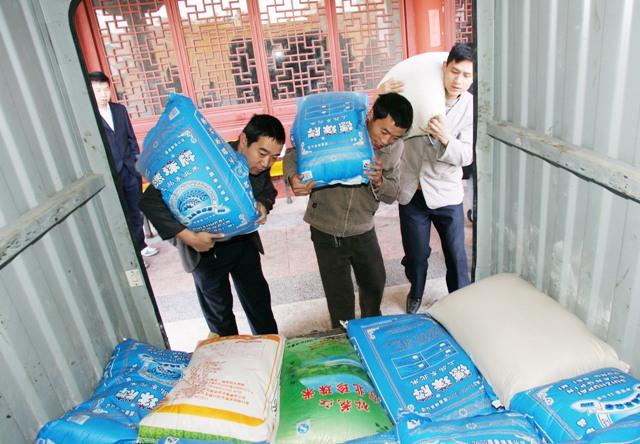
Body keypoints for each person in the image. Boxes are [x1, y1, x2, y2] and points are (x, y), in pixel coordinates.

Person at [139, 114, 285, 337]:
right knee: (220, 316)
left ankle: (270, 348)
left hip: (243, 244)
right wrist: (189, 237)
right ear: (244, 140)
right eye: (262, 153)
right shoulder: (206, 158)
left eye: (274, 158)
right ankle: (228, 356)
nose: (266, 163)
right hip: (205, 252)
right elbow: (149, 201)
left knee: (259, 303)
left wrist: (263, 204)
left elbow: (268, 191)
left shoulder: (259, 166)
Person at [284, 93, 413, 329]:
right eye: (384, 131)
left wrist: (379, 182)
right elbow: (295, 153)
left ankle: (370, 330)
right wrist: (292, 177)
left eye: (395, 137)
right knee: (338, 296)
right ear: (371, 115)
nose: (386, 141)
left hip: (362, 227)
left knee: (375, 282)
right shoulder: (343, 126)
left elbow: (392, 192)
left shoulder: (395, 149)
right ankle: (343, 337)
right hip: (325, 226)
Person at [396, 42, 475, 314]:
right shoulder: (418, 92)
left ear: (473, 78)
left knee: (456, 255)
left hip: (446, 194)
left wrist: (446, 138)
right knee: (416, 254)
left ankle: (461, 302)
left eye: (466, 75)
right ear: (445, 67)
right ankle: (416, 292)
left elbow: (467, 155)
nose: (458, 80)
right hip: (412, 191)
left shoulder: (471, 107)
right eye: (454, 71)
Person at [89, 71, 158, 259]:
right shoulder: (89, 116)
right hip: (110, 173)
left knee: (136, 209)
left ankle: (141, 245)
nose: (103, 95)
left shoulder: (119, 110)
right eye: (98, 91)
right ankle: (130, 254)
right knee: (119, 212)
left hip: (129, 169)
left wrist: (136, 161)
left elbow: (130, 138)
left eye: (106, 90)